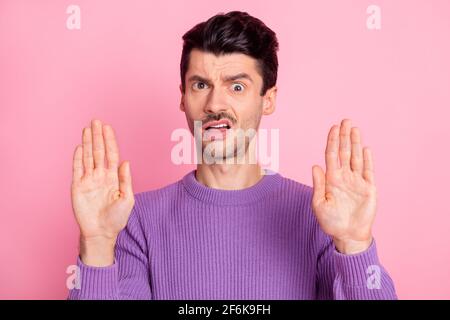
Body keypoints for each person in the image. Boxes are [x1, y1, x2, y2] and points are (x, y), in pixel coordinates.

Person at [68, 11, 397, 300]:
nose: (214, 104)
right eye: (200, 85)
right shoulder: (135, 220)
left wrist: (354, 245)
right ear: (183, 97)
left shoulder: (320, 216)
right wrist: (96, 243)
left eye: (236, 86)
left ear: (267, 99)